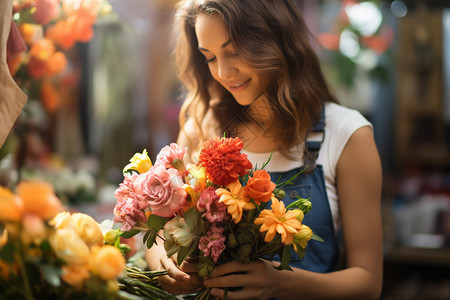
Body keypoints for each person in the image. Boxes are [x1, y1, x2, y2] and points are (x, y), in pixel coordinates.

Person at [146, 0, 383, 299]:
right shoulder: (201, 130)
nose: (223, 71)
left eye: (233, 52)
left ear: (274, 38)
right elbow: (158, 235)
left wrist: (280, 281)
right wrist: (166, 263)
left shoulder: (347, 135)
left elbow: (368, 284)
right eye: (209, 57)